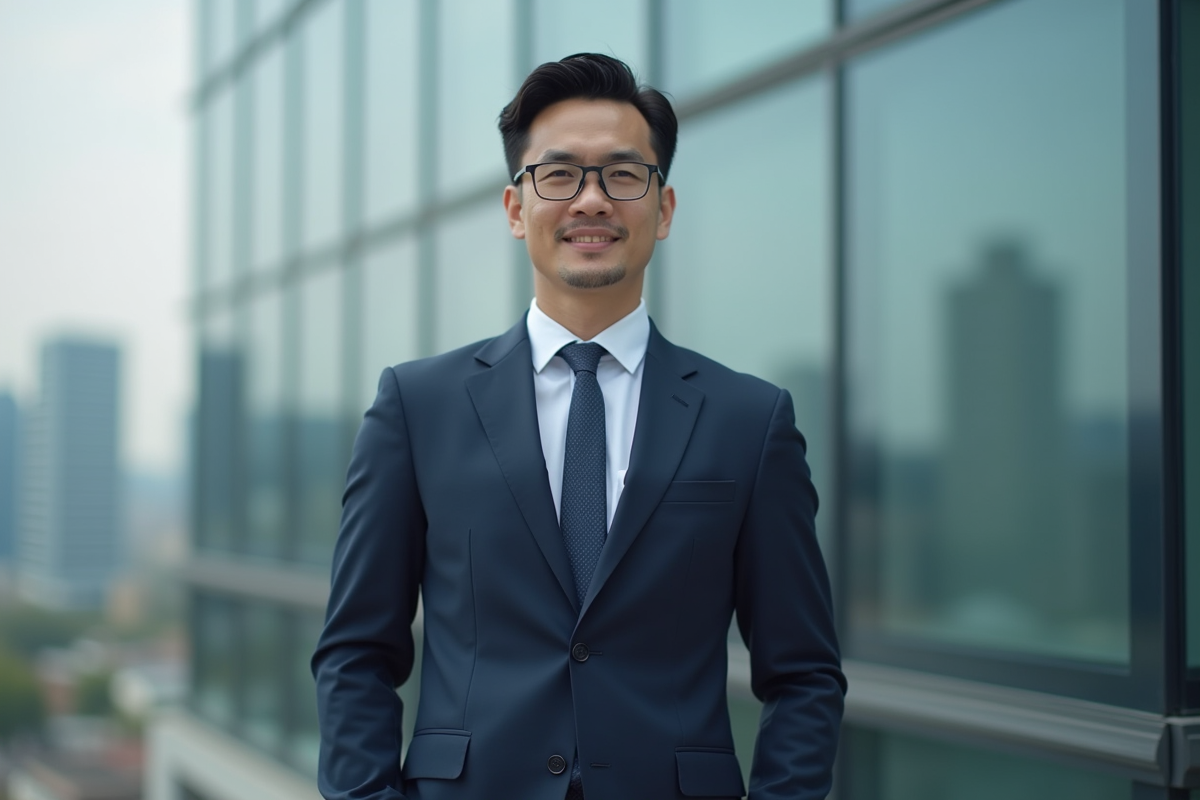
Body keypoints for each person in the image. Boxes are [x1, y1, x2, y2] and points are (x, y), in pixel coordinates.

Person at [312, 53, 845, 800]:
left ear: (662, 210)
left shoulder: (749, 422)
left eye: (623, 176)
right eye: (559, 175)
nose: (591, 200)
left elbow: (804, 674)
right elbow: (356, 654)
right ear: (514, 207)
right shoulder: (417, 406)